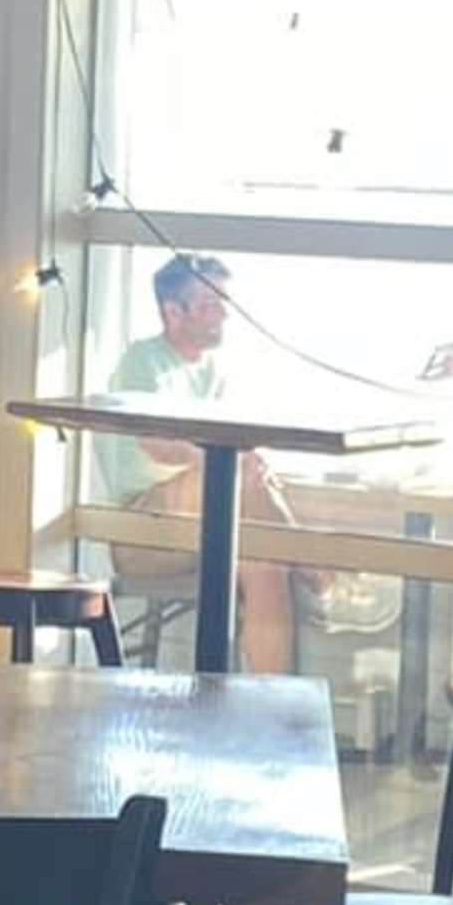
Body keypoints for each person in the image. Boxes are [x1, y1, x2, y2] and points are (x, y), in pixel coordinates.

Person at [85, 251, 301, 665]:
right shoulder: (142, 361)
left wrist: (246, 458)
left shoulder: (213, 372)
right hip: (141, 530)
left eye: (224, 304)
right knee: (237, 476)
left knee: (266, 568)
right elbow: (153, 441)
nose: (222, 315)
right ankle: (320, 574)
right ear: (173, 312)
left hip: (201, 526)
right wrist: (228, 461)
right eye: (209, 305)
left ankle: (266, 713)